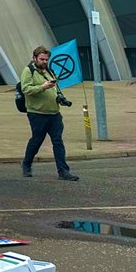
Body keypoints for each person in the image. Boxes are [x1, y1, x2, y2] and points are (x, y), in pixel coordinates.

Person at [21, 46, 80, 181]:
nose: (44, 62)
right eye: (42, 59)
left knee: (58, 141)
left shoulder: (50, 71)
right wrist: (43, 87)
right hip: (37, 113)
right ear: (34, 58)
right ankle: (26, 164)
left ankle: (63, 172)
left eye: (46, 59)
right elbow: (26, 89)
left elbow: (56, 89)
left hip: (54, 113)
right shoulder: (28, 71)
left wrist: (60, 98)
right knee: (37, 140)